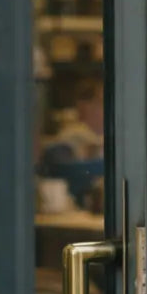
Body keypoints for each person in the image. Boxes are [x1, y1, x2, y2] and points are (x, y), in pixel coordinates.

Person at [37, 77, 105, 206]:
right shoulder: (69, 138)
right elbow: (63, 168)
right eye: (101, 102)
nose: (106, 109)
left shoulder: (115, 138)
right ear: (84, 105)